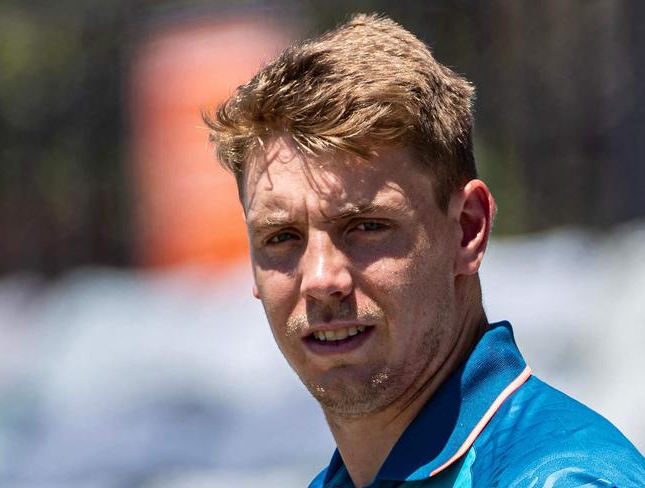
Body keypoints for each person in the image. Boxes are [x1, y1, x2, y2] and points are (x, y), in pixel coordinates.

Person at [204, 13, 645, 488]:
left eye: (366, 226)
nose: (320, 278)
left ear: (467, 231)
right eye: (281, 237)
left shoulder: (561, 479)